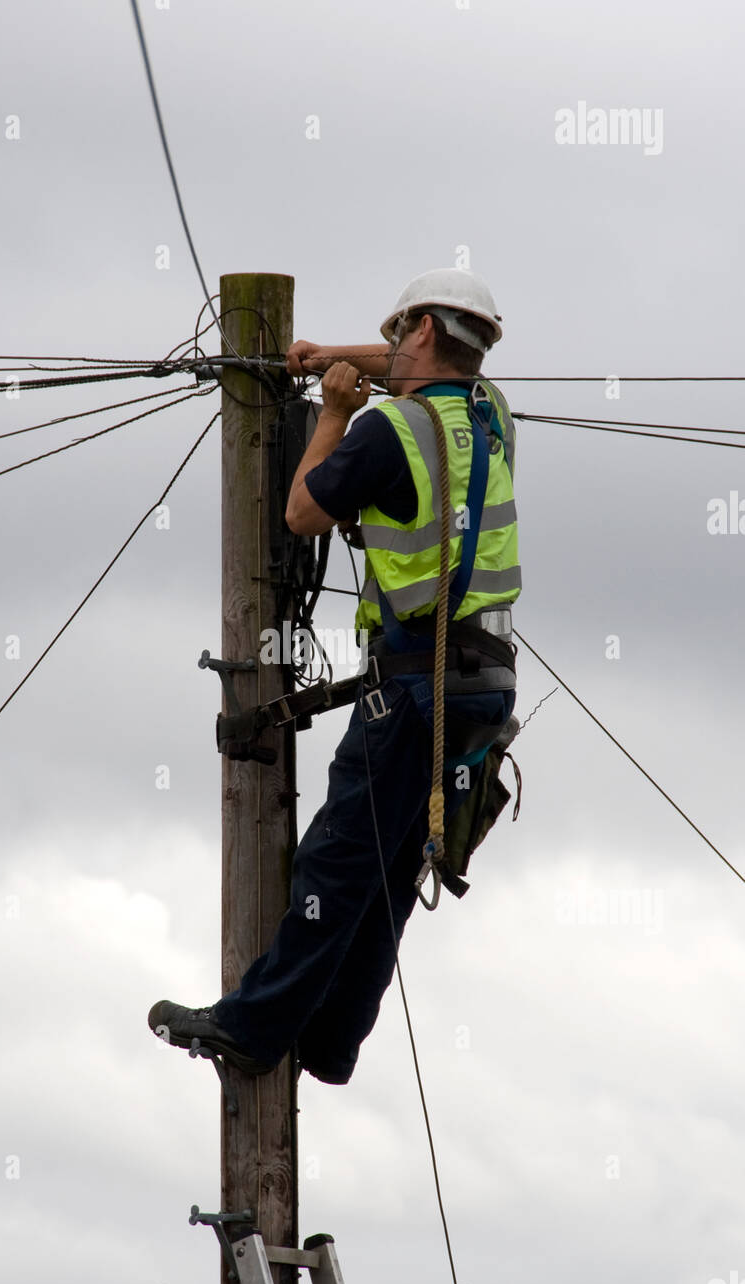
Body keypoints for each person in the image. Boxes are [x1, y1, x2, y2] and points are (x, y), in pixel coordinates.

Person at [149, 268, 521, 1084]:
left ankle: (252, 1027)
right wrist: (325, 355)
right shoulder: (489, 419)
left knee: (338, 862)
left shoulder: (389, 432)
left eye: (397, 333)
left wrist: (333, 410)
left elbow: (303, 511)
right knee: (388, 872)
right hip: (484, 687)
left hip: (416, 682)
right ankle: (330, 1040)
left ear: (421, 327)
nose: (385, 350)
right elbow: (425, 373)